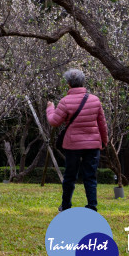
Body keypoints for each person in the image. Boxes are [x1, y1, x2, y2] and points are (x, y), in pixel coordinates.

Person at [46, 68, 109, 212]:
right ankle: (92, 206)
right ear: (83, 82)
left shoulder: (65, 102)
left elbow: (54, 121)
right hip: (93, 145)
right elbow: (102, 124)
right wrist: (104, 141)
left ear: (68, 84)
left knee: (70, 176)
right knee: (90, 176)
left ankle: (66, 205)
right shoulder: (95, 100)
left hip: (73, 145)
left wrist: (50, 108)